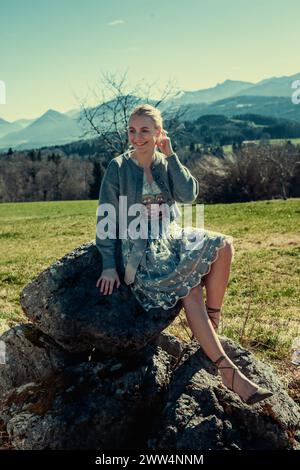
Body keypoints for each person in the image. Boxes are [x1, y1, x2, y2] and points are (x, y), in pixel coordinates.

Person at [95, 104, 273, 406]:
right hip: (139, 246)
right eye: (132, 130)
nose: (137, 137)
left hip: (170, 235)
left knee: (224, 246)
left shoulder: (165, 163)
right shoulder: (118, 167)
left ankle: (211, 324)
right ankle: (229, 373)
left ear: (158, 133)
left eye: (145, 131)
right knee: (189, 287)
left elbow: (189, 194)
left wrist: (172, 154)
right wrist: (109, 265)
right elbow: (105, 217)